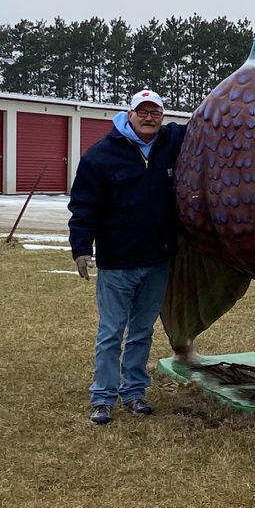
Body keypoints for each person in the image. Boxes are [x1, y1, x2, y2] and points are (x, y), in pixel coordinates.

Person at [68, 88, 186, 425]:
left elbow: (201, 125)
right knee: (111, 333)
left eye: (155, 112)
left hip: (157, 260)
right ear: (129, 113)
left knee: (142, 331)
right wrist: (80, 248)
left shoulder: (169, 143)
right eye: (142, 111)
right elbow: (83, 207)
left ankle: (134, 393)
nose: (149, 118)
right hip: (118, 263)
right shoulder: (100, 157)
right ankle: (102, 397)